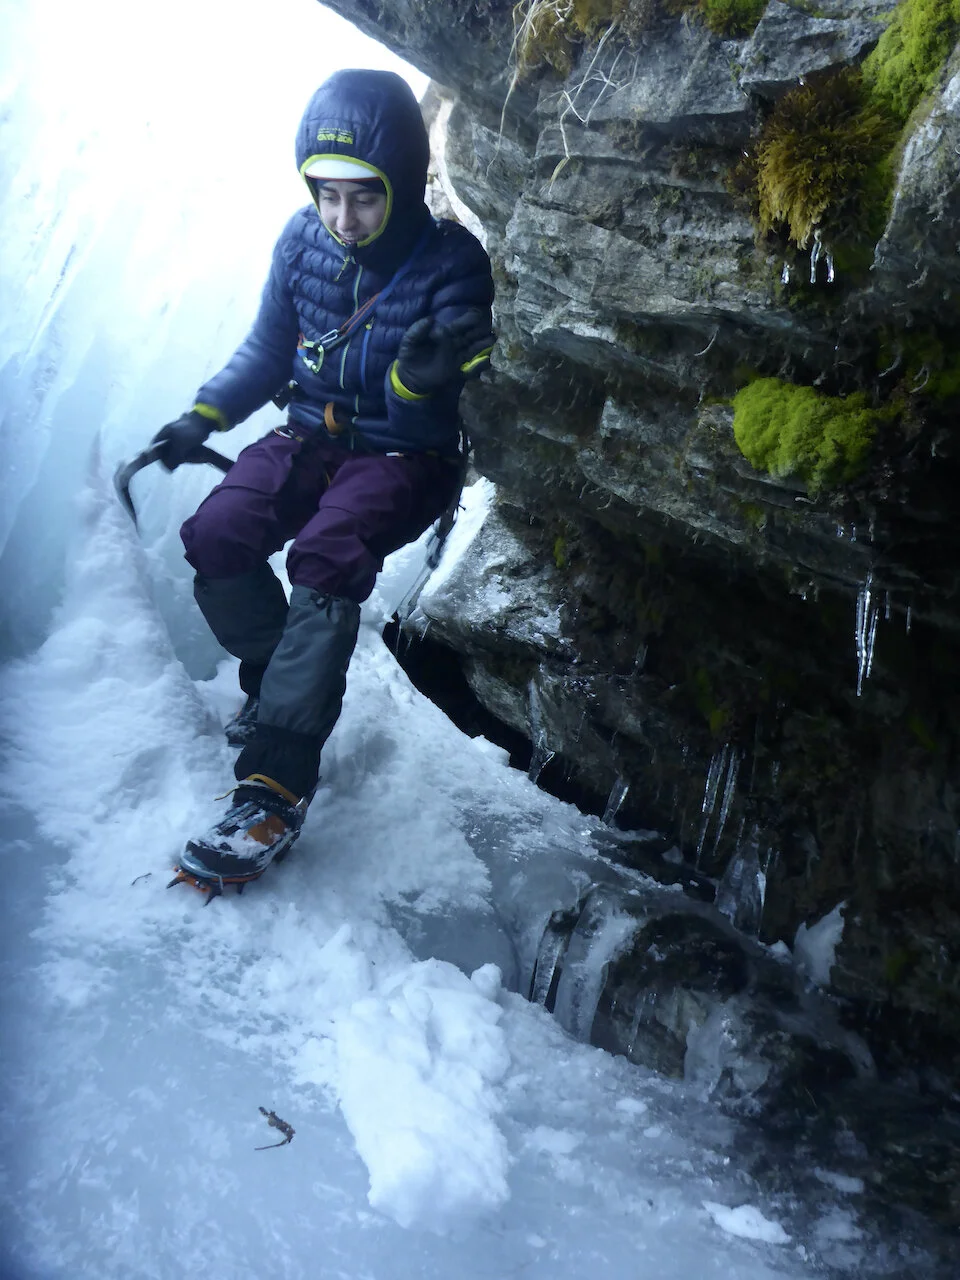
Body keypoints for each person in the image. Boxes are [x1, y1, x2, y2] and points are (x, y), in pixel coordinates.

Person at [154, 68, 495, 891]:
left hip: (405, 458)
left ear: (404, 183)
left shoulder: (452, 261)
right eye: (326, 195)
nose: (343, 219)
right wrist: (204, 415)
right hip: (313, 431)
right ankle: (278, 686)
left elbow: (443, 399)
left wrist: (420, 378)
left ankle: (275, 780)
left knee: (325, 552)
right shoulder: (303, 242)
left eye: (364, 198)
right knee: (217, 534)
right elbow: (269, 349)